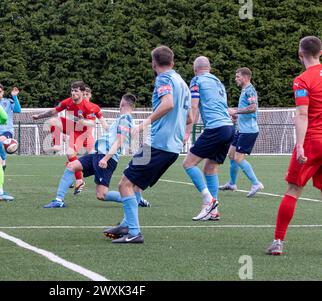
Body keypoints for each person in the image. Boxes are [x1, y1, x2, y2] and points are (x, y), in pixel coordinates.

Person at [103, 45, 192, 243]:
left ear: (153, 63)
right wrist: (182, 132)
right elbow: (190, 117)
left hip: (158, 145)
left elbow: (168, 103)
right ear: (173, 62)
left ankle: (134, 232)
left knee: (124, 183)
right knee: (133, 184)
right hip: (171, 147)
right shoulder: (182, 83)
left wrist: (143, 123)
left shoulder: (163, 78)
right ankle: (127, 224)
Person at [43, 93, 150, 208]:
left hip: (106, 157)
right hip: (98, 154)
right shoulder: (121, 119)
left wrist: (105, 158)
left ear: (122, 103)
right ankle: (59, 201)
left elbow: (119, 141)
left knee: (101, 194)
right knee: (71, 166)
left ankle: (133, 198)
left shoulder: (126, 118)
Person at [267, 36, 322, 255]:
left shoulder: (302, 80)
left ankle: (278, 241)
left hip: (312, 142)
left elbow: (302, 114)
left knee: (293, 190)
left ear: (300, 54)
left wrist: (299, 146)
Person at [182, 56, 234, 221]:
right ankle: (213, 211)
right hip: (229, 129)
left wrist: (187, 131)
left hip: (216, 128)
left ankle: (209, 200)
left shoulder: (196, 80)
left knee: (188, 163)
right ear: (209, 68)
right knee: (210, 168)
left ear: (194, 68)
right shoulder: (218, 82)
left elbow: (194, 106)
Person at [32, 80, 98, 195]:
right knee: (53, 121)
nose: (73, 93)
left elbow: (92, 124)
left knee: (73, 155)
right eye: (72, 90)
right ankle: (57, 146)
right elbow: (54, 110)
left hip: (84, 133)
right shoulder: (68, 102)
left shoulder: (88, 106)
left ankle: (81, 178)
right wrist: (39, 116)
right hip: (74, 128)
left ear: (82, 92)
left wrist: (83, 121)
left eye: (76, 91)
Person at [219, 68, 264, 197]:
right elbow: (248, 109)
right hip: (241, 129)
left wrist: (236, 111)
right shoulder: (245, 90)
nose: (235, 79)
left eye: (238, 76)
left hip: (248, 131)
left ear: (245, 77)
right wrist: (236, 115)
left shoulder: (250, 89)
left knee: (238, 157)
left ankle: (256, 183)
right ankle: (232, 184)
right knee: (231, 155)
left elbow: (253, 108)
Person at [0, 83, 21, 189]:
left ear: (3, 92)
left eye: (0, 92)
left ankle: (4, 159)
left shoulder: (8, 101)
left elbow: (17, 110)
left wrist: (14, 96)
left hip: (7, 131)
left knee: (2, 141)